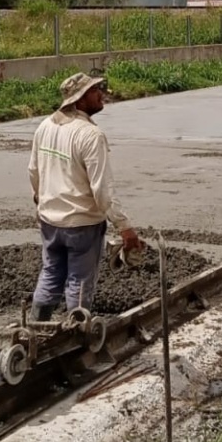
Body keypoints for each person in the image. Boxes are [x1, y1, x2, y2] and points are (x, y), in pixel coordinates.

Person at [27, 72, 142, 321]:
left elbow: (33, 172)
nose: (101, 94)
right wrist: (125, 228)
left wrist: (42, 201)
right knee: (79, 283)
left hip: (50, 221)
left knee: (50, 274)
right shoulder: (90, 135)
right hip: (82, 224)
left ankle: (35, 330)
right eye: (94, 91)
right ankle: (76, 339)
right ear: (79, 99)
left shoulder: (45, 127)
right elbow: (102, 191)